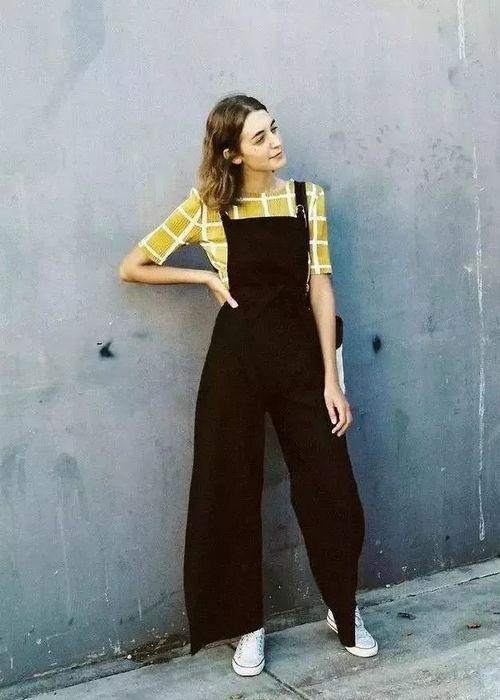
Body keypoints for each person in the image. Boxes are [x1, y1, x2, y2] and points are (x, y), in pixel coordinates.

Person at [119, 93, 378, 676]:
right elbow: (133, 266)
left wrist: (331, 379)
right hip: (235, 363)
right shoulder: (207, 207)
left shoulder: (307, 199)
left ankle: (343, 608)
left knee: (332, 488)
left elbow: (320, 285)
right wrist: (205, 280)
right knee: (228, 492)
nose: (276, 142)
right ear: (232, 154)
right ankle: (247, 626)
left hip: (300, 363)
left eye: (274, 129)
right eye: (260, 137)